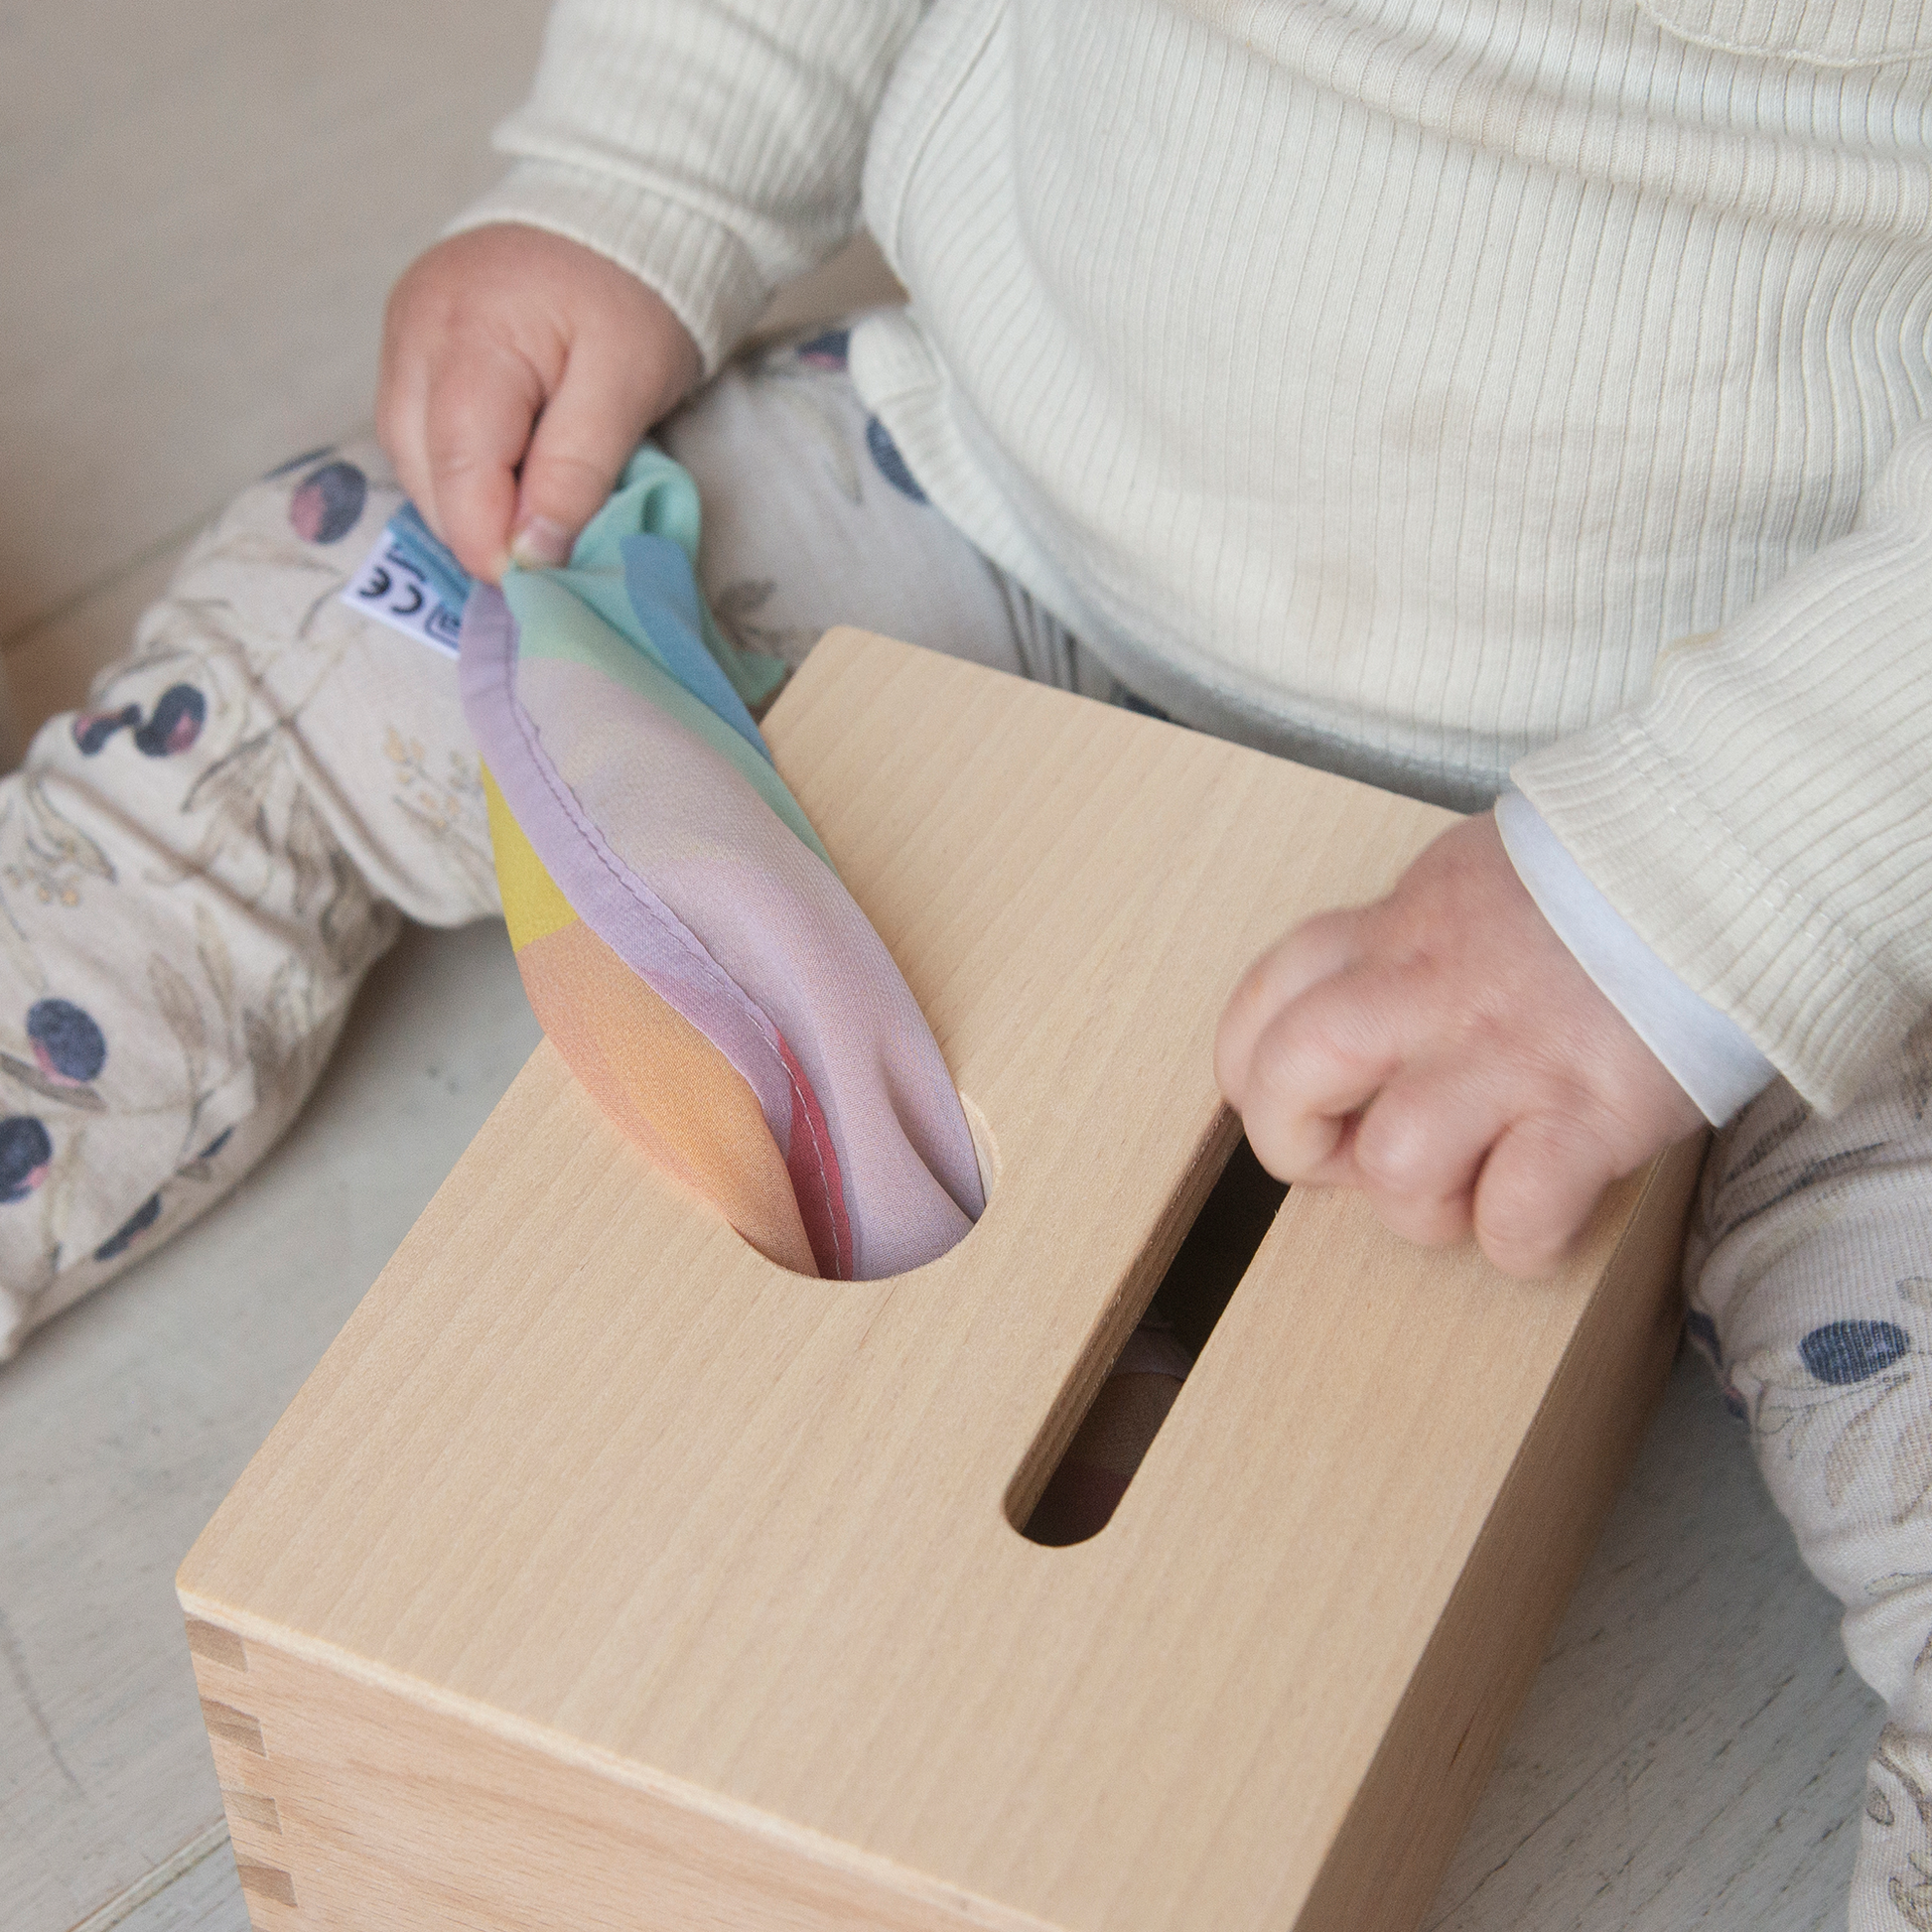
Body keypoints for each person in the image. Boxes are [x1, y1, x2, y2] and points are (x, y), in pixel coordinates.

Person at [6, 2, 1928, 1918]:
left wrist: (1698, 887)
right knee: (342, 613)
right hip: (1008, 504)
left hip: (1762, 779)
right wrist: (628, 178)